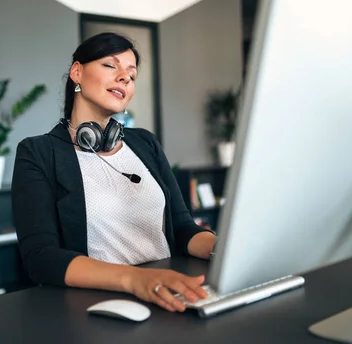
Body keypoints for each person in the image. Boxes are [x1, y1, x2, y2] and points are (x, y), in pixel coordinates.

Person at [12, 32, 217, 312]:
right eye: (111, 66)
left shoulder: (145, 143)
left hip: (168, 292)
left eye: (131, 76)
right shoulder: (37, 152)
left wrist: (224, 248)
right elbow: (41, 257)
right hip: (100, 303)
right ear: (77, 72)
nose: (124, 78)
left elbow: (182, 228)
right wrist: (135, 279)